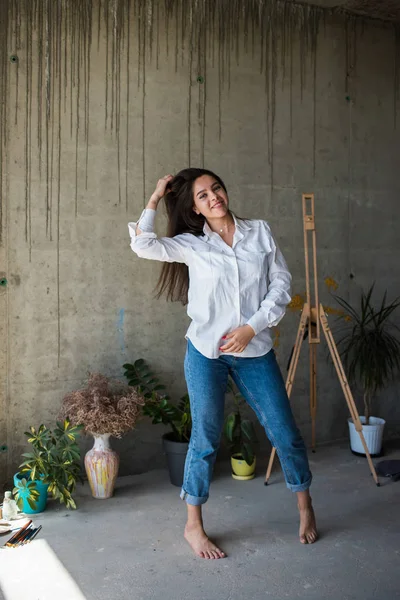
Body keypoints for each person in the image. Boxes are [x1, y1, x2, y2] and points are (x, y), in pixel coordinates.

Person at [128, 168, 318, 560]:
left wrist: (252, 327)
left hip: (254, 350)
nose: (213, 196)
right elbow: (143, 244)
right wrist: (155, 196)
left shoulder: (260, 232)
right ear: (194, 209)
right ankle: (193, 525)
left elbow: (281, 285)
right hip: (206, 353)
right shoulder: (190, 244)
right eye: (202, 195)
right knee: (205, 438)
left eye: (215, 188)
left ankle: (304, 506)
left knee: (285, 432)